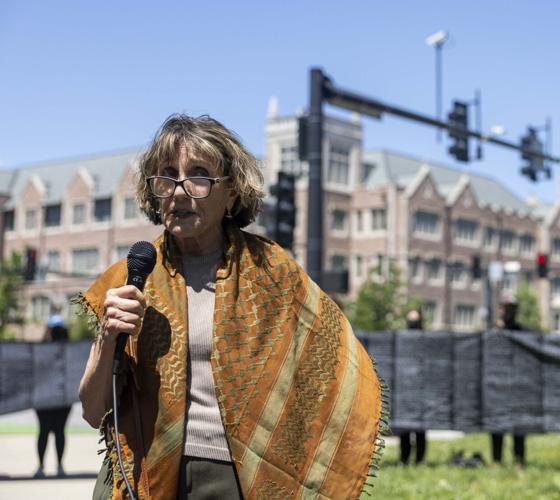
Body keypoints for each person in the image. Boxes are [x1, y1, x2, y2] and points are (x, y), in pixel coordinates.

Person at [77, 114, 383, 499]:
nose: (179, 190)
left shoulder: (272, 270)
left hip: (235, 480)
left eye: (199, 175)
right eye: (166, 176)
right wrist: (109, 335)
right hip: (141, 475)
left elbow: (335, 366)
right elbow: (92, 410)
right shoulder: (129, 277)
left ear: (233, 193)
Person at [490, 295, 527, 467]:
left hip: (518, 388)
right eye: (506, 308)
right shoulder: (493, 332)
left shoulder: (523, 332)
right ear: (500, 310)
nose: (509, 312)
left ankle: (519, 460)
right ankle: (497, 460)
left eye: (512, 308)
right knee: (496, 426)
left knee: (519, 427)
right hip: (497, 387)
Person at [34, 314, 72, 478]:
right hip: (48, 397)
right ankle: (51, 466)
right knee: (52, 431)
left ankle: (52, 466)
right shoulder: (40, 351)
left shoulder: (71, 351)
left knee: (54, 431)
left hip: (58, 398)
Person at [398, 309, 428, 465]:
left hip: (422, 392)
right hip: (405, 391)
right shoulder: (401, 340)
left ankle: (420, 460)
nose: (413, 324)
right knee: (404, 428)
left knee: (420, 429)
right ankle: (404, 458)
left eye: (415, 321)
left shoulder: (427, 342)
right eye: (411, 320)